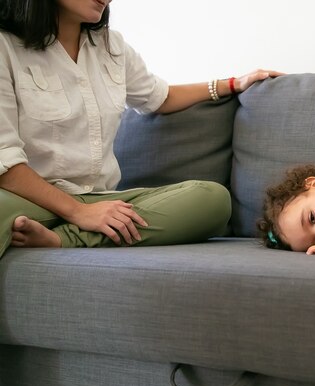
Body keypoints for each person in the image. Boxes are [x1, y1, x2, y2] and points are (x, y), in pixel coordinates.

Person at [0, 0, 283, 258]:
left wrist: (232, 84)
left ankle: (62, 240)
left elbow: (159, 97)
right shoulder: (5, 46)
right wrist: (79, 212)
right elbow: (5, 161)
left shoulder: (111, 46)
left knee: (213, 200)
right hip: (31, 199)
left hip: (103, 199)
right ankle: (76, 229)